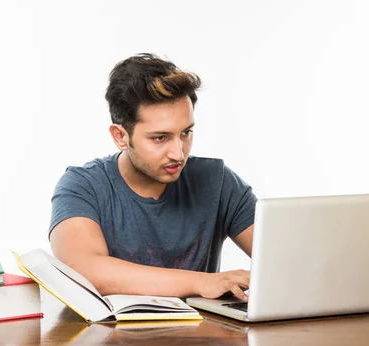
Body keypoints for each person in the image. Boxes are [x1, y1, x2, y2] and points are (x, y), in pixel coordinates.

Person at [49, 53, 257, 302]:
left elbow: (285, 262)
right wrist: (202, 282)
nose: (178, 153)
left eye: (186, 133)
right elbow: (83, 272)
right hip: (110, 340)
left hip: (201, 339)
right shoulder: (83, 186)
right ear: (120, 136)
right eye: (160, 138)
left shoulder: (217, 181)